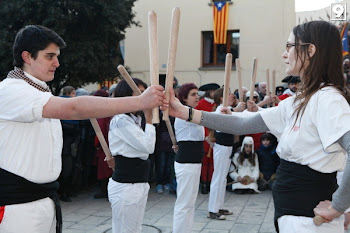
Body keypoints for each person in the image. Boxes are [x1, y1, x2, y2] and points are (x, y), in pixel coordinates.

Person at [165, 21, 350, 233]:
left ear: (310, 50)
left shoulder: (328, 100)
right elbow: (242, 122)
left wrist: (338, 206)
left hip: (310, 220)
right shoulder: (297, 101)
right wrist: (185, 113)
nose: (284, 54)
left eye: (289, 46)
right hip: (292, 214)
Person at [0, 25, 165, 233]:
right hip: (19, 208)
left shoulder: (38, 91)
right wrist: (140, 102)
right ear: (27, 57)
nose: (57, 63)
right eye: (50, 56)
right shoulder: (12, 90)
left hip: (43, 201)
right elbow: (74, 108)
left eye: (57, 56)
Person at [107, 78, 155, 233]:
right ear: (127, 95)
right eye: (140, 92)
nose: (144, 96)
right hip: (126, 187)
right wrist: (150, 121)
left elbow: (142, 149)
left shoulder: (135, 119)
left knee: (135, 229)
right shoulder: (121, 119)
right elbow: (148, 147)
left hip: (139, 182)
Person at [207, 88, 245, 220]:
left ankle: (219, 206)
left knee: (222, 178)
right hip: (222, 147)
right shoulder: (220, 110)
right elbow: (226, 118)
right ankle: (212, 209)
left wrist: (238, 109)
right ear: (222, 98)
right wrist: (236, 110)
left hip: (228, 147)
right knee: (218, 177)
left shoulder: (228, 109)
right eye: (229, 94)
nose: (232, 96)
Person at [173, 83, 204, 233]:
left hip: (194, 163)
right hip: (187, 164)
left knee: (190, 203)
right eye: (193, 94)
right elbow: (208, 119)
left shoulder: (192, 112)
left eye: (197, 93)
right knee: (184, 203)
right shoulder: (186, 114)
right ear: (184, 98)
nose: (197, 96)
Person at [196, 82, 220, 194]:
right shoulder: (201, 104)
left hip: (215, 136)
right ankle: (204, 183)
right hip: (206, 137)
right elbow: (199, 122)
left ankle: (211, 182)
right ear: (211, 92)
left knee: (213, 162)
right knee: (205, 162)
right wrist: (207, 136)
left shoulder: (217, 104)